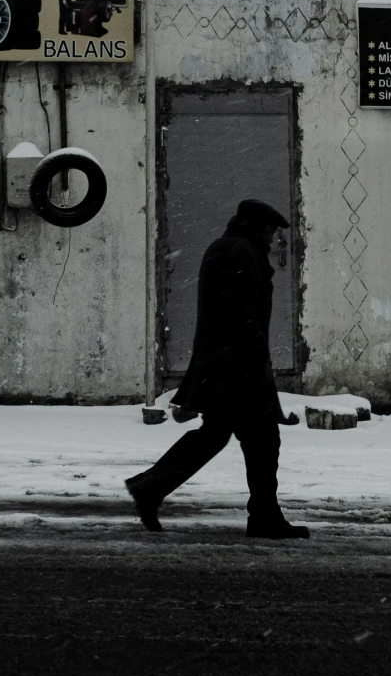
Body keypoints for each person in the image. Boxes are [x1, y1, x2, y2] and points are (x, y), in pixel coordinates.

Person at [125, 198, 312, 540]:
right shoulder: (240, 252)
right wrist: (256, 367)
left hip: (225, 365)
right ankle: (262, 517)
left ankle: (152, 488)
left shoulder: (226, 247)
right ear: (257, 226)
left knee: (223, 436)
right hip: (237, 368)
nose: (273, 238)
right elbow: (241, 316)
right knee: (260, 439)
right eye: (270, 230)